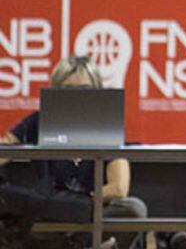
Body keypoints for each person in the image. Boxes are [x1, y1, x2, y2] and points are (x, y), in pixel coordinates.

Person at [0, 57, 145, 248]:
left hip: (90, 210)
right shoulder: (40, 119)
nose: (76, 96)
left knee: (134, 209)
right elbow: (6, 146)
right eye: (67, 89)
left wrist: (80, 203)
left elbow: (119, 188)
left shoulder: (106, 125)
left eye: (84, 89)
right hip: (50, 211)